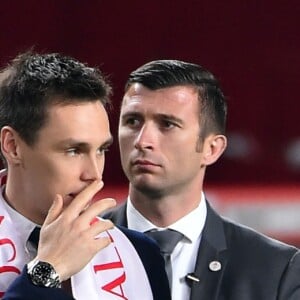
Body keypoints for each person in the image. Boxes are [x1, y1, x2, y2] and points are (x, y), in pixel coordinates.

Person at [103, 59, 300, 300]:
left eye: (167, 124)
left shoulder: (276, 269)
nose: (142, 141)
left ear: (212, 149)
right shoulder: (71, 251)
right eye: (133, 121)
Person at [0, 52, 171, 300]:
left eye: (101, 150)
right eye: (73, 150)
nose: (94, 175)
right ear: (13, 146)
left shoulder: (141, 254)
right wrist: (47, 271)